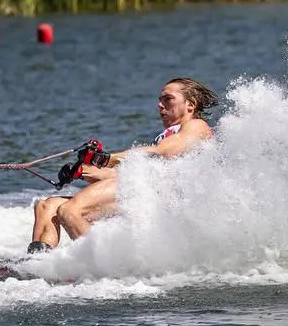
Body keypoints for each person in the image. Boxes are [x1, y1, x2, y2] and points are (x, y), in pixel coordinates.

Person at [28, 77, 217, 252]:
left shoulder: (196, 126)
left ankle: (102, 268)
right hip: (138, 194)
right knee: (47, 206)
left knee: (70, 210)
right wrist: (80, 171)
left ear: (190, 105)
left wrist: (104, 159)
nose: (160, 105)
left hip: (161, 200)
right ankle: (38, 264)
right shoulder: (163, 136)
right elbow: (121, 175)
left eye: (168, 99)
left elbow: (163, 152)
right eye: (159, 100)